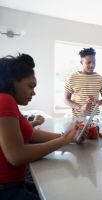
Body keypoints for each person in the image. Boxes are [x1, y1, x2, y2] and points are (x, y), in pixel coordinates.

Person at [0, 54, 79, 200]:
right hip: (6, 188)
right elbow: (16, 156)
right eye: (30, 86)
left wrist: (70, 137)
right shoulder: (4, 100)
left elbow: (31, 135)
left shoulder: (8, 102)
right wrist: (64, 140)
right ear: (13, 81)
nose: (34, 92)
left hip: (14, 182)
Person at [65, 47, 102, 117]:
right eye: (88, 62)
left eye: (94, 62)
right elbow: (66, 100)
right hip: (77, 119)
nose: (92, 65)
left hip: (95, 119)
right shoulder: (72, 78)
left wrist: (96, 102)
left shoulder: (100, 79)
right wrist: (80, 107)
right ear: (81, 62)